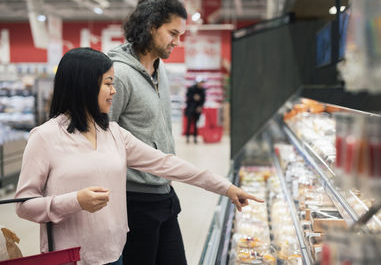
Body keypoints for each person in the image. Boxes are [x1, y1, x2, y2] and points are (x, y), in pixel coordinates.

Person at [14, 48, 262, 265]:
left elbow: (165, 164)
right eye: (108, 83)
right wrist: (75, 201)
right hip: (71, 258)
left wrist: (226, 187)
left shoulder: (113, 133)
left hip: (114, 253)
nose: (114, 91)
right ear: (84, 85)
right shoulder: (45, 137)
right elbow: (24, 205)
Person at [107, 0, 198, 264]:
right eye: (172, 33)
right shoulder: (120, 75)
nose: (177, 42)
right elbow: (101, 139)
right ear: (151, 27)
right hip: (134, 200)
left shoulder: (161, 69)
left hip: (164, 193)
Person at [184, 77, 206, 144]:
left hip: (197, 110)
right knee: (189, 123)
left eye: (202, 83)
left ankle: (195, 138)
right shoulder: (191, 89)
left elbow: (203, 100)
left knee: (196, 124)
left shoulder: (203, 90)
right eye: (200, 82)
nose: (201, 84)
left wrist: (200, 107)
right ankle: (187, 137)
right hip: (190, 109)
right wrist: (193, 97)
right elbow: (187, 97)